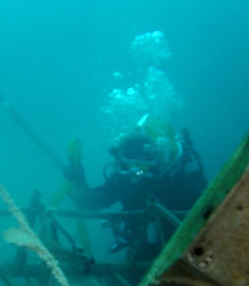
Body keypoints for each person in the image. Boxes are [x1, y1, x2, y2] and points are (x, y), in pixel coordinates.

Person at [63, 114, 207, 266]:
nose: (137, 167)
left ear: (160, 154)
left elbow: (205, 219)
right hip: (142, 254)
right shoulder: (131, 175)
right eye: (129, 156)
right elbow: (89, 202)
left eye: (145, 157)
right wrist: (78, 180)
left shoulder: (183, 177)